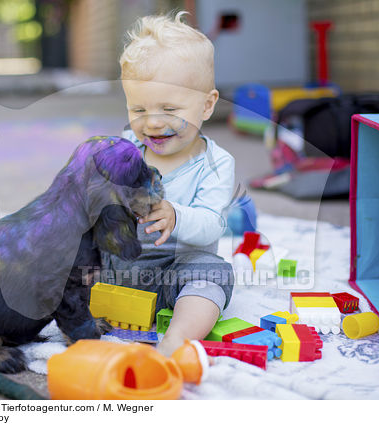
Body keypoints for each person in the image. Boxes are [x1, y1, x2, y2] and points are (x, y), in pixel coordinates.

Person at [101, 10, 235, 356]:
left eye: (170, 109)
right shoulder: (127, 147)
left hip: (172, 275)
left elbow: (210, 226)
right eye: (139, 110)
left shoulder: (217, 164)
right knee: (62, 251)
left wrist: (176, 215)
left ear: (207, 105)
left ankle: (177, 337)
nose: (153, 123)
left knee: (212, 273)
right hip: (113, 268)